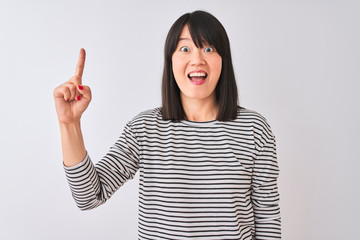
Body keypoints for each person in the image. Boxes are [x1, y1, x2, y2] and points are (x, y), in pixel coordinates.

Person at [53, 10, 281, 240]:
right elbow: (90, 196)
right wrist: (69, 124)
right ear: (170, 59)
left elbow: (267, 218)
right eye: (185, 49)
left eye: (209, 48)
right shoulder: (145, 128)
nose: (197, 59)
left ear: (224, 59)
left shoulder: (254, 129)